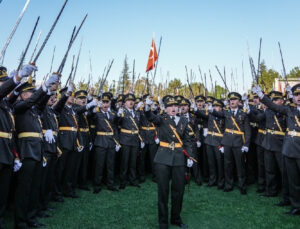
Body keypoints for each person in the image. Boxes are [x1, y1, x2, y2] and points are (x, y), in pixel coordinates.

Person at [14, 71, 59, 229]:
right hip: (26, 151)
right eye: (31, 93)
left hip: (38, 151)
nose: (33, 96)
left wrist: (49, 90)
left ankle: (31, 217)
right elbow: (32, 101)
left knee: (34, 187)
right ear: (24, 95)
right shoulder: (19, 106)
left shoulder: (34, 110)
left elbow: (40, 102)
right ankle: (20, 221)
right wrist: (44, 86)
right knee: (24, 189)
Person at [145, 96, 193, 229]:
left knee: (179, 191)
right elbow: (150, 117)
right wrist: (148, 107)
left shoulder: (184, 120)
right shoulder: (161, 119)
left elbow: (188, 140)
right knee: (163, 192)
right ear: (165, 109)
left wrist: (190, 157)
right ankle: (163, 223)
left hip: (179, 159)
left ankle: (176, 218)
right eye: (170, 106)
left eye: (175, 106)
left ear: (178, 108)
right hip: (163, 158)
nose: (173, 108)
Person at [252, 84, 300, 215]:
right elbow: (273, 106)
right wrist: (261, 96)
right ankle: (295, 205)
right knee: (293, 179)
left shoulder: (289, 108)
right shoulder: (290, 110)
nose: (299, 97)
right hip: (290, 148)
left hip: (291, 147)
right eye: (296, 95)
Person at [209, 92, 251, 195]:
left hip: (238, 142)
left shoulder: (243, 114)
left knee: (240, 166)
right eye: (230, 100)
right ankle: (228, 185)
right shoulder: (226, 113)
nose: (232, 101)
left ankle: (242, 186)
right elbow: (216, 113)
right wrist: (210, 108)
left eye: (234, 100)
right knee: (227, 165)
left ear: (239, 102)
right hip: (227, 142)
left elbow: (247, 131)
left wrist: (246, 144)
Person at [194, 99, 225, 189]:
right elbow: (202, 115)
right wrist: (195, 110)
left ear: (221, 108)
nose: (215, 108)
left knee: (219, 163)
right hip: (209, 141)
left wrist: (223, 144)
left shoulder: (223, 115)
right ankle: (212, 180)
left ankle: (221, 181)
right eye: (214, 106)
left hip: (218, 141)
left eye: (217, 106)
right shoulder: (210, 115)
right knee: (211, 162)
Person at [92, 92, 120, 193]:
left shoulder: (113, 114)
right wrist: (95, 106)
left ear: (109, 103)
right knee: (99, 165)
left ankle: (110, 184)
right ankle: (97, 185)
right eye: (103, 102)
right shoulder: (96, 113)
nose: (105, 104)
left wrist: (117, 142)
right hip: (100, 141)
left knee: (110, 165)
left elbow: (115, 128)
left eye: (107, 102)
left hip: (111, 142)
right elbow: (91, 116)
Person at [117, 93, 144, 189]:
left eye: (132, 100)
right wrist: (119, 115)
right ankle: (123, 181)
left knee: (133, 162)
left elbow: (139, 126)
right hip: (125, 139)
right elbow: (117, 123)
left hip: (135, 140)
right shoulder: (122, 112)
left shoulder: (137, 113)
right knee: (124, 162)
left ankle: (132, 180)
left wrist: (141, 139)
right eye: (128, 100)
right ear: (124, 103)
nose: (131, 102)